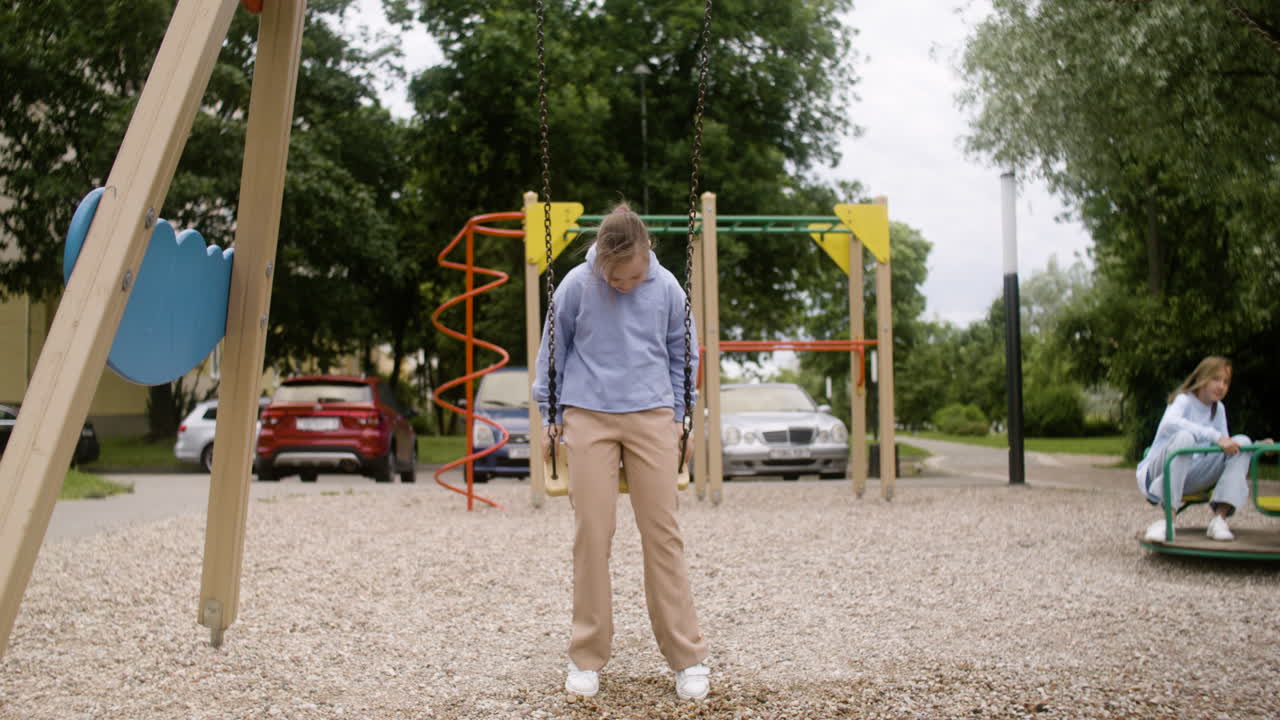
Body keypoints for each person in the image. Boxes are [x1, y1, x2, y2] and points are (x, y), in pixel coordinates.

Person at [533, 202, 710, 701]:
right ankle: (586, 655)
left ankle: (688, 657)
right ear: (601, 260)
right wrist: (550, 417)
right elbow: (552, 355)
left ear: (647, 252)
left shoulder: (667, 287)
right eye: (616, 278)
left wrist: (682, 419)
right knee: (592, 535)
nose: (626, 285)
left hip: (653, 414)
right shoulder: (576, 285)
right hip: (587, 413)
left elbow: (682, 355)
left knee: (663, 536)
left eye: (634, 276)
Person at [1138, 356, 1264, 542]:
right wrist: (1214, 436)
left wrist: (1256, 445)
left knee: (1243, 442)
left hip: (1194, 474)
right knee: (1185, 437)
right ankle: (1167, 522)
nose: (1221, 386)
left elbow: (1226, 446)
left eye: (1226, 382)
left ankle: (1219, 520)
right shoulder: (1183, 400)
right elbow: (1169, 423)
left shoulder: (1218, 409)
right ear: (1201, 378)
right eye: (1216, 379)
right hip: (1159, 473)